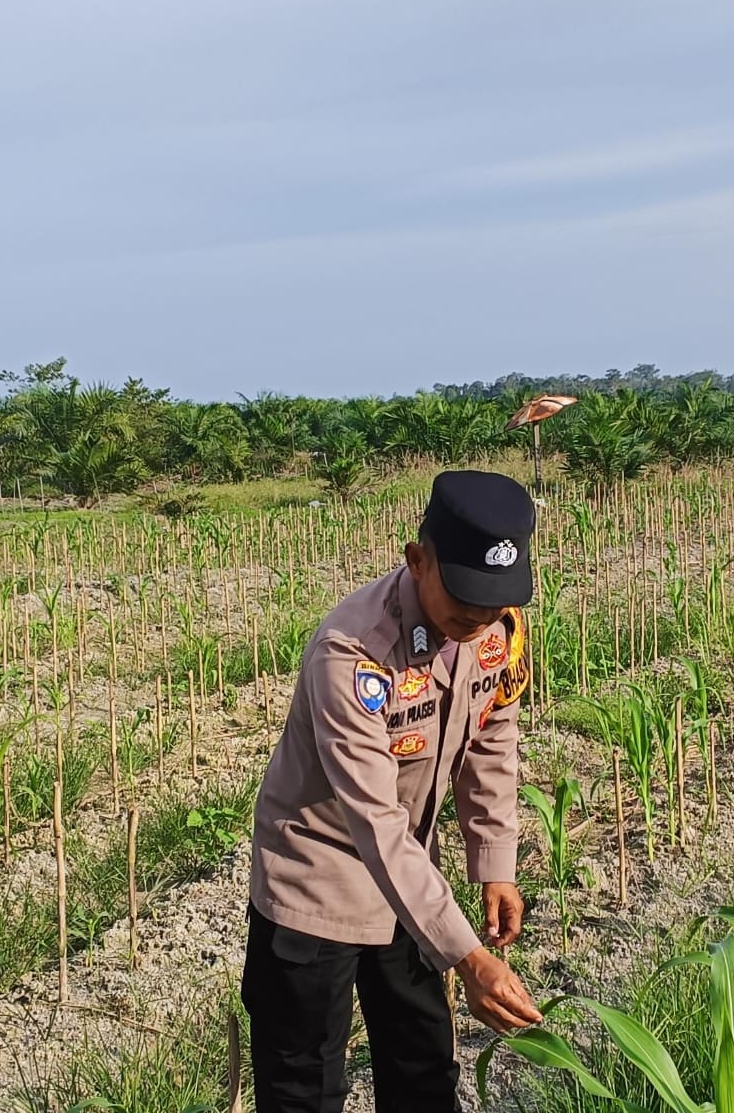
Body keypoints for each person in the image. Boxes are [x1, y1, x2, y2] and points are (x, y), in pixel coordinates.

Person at [243, 469, 544, 1112]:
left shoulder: (496, 627)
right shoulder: (352, 654)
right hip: (316, 881)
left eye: (495, 605)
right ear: (417, 561)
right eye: (465, 603)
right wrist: (468, 957)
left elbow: (493, 732)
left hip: (410, 882)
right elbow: (374, 820)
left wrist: (494, 864)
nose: (482, 621)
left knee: (425, 1072)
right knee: (303, 1089)